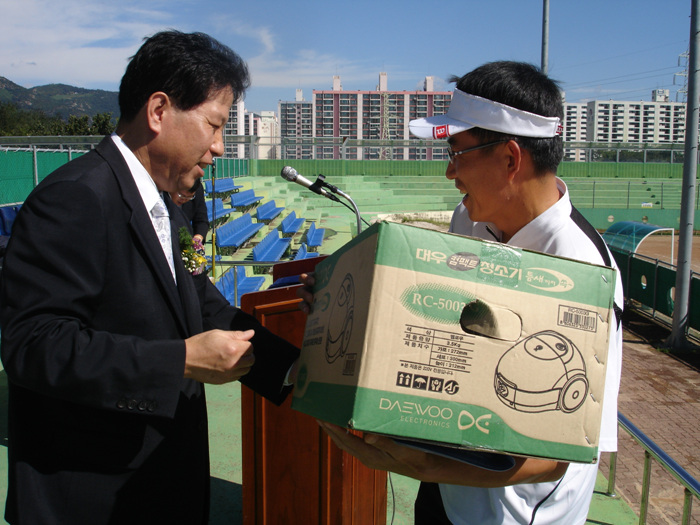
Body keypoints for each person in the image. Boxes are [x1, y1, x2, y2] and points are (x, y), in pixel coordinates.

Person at [299, 61, 623, 524]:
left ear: (510, 159)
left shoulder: (585, 271)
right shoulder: (469, 219)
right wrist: (339, 310)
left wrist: (425, 466)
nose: (450, 171)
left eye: (458, 153)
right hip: (448, 488)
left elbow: (560, 456)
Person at [0, 30, 299, 524]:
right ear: (159, 111)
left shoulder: (162, 204)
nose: (219, 147)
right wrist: (179, 360)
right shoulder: (75, 196)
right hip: (92, 500)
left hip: (156, 490)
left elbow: (202, 304)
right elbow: (34, 345)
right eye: (214, 125)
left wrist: (295, 371)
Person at [171, 178, 208, 244]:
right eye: (181, 195)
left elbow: (201, 219)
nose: (184, 199)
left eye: (189, 197)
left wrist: (198, 237)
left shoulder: (198, 190)